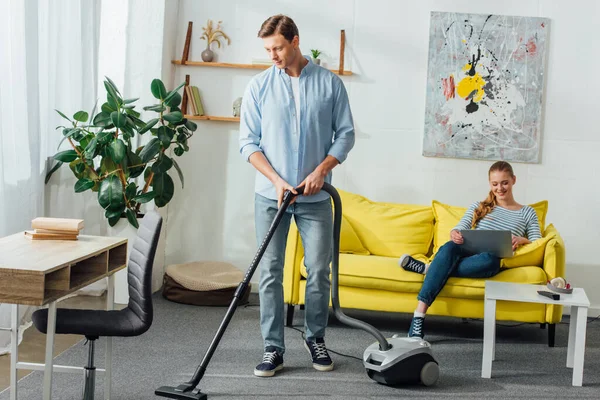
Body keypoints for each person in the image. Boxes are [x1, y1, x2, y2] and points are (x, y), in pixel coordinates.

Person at [239, 14, 355, 377]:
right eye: (268, 49)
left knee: (319, 270)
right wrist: (275, 179)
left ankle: (315, 337)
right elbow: (247, 143)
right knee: (271, 272)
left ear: (295, 41)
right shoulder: (258, 86)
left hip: (316, 199)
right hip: (271, 196)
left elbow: (345, 135)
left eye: (278, 47)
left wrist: (321, 171)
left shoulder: (329, 84)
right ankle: (273, 347)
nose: (272, 55)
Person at [399, 161, 541, 339]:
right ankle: (418, 316)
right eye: (495, 184)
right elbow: (460, 227)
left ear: (513, 180)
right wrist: (454, 233)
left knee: (489, 260)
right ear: (490, 183)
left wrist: (521, 240)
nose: (500, 188)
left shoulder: (527, 212)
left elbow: (537, 243)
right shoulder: (479, 206)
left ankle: (430, 269)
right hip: (465, 250)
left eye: (505, 182)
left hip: (488, 259)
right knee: (451, 246)